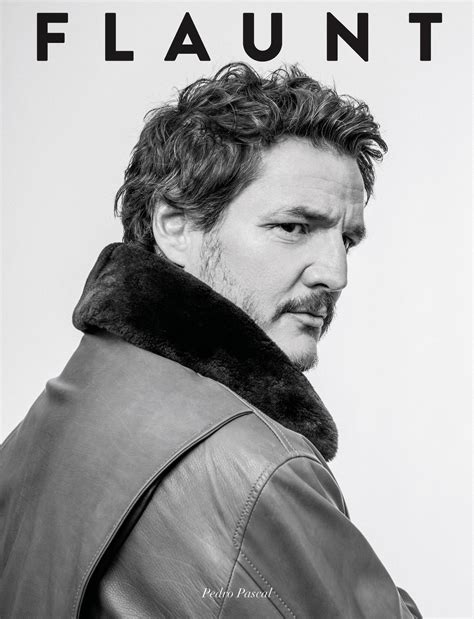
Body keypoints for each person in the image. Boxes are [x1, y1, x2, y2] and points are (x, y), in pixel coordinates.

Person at [0, 63, 422, 618]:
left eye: (346, 239)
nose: (335, 274)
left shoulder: (40, 429)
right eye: (293, 227)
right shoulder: (256, 469)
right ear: (176, 225)